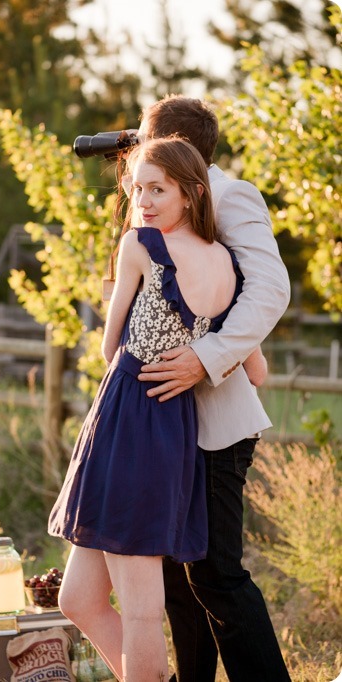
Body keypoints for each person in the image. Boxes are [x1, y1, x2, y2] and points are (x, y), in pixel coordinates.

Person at [48, 137, 266, 682]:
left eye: (157, 189)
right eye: (137, 187)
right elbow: (256, 369)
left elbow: (107, 345)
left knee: (144, 611)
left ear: (191, 194)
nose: (142, 200)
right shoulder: (228, 264)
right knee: (77, 597)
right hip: (172, 427)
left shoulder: (139, 246)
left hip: (129, 421)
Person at [134, 96, 291, 681]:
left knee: (216, 573)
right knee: (174, 573)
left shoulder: (229, 195)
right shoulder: (151, 203)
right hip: (165, 419)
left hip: (216, 417)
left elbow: (271, 290)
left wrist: (207, 358)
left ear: (176, 142)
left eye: (145, 138)